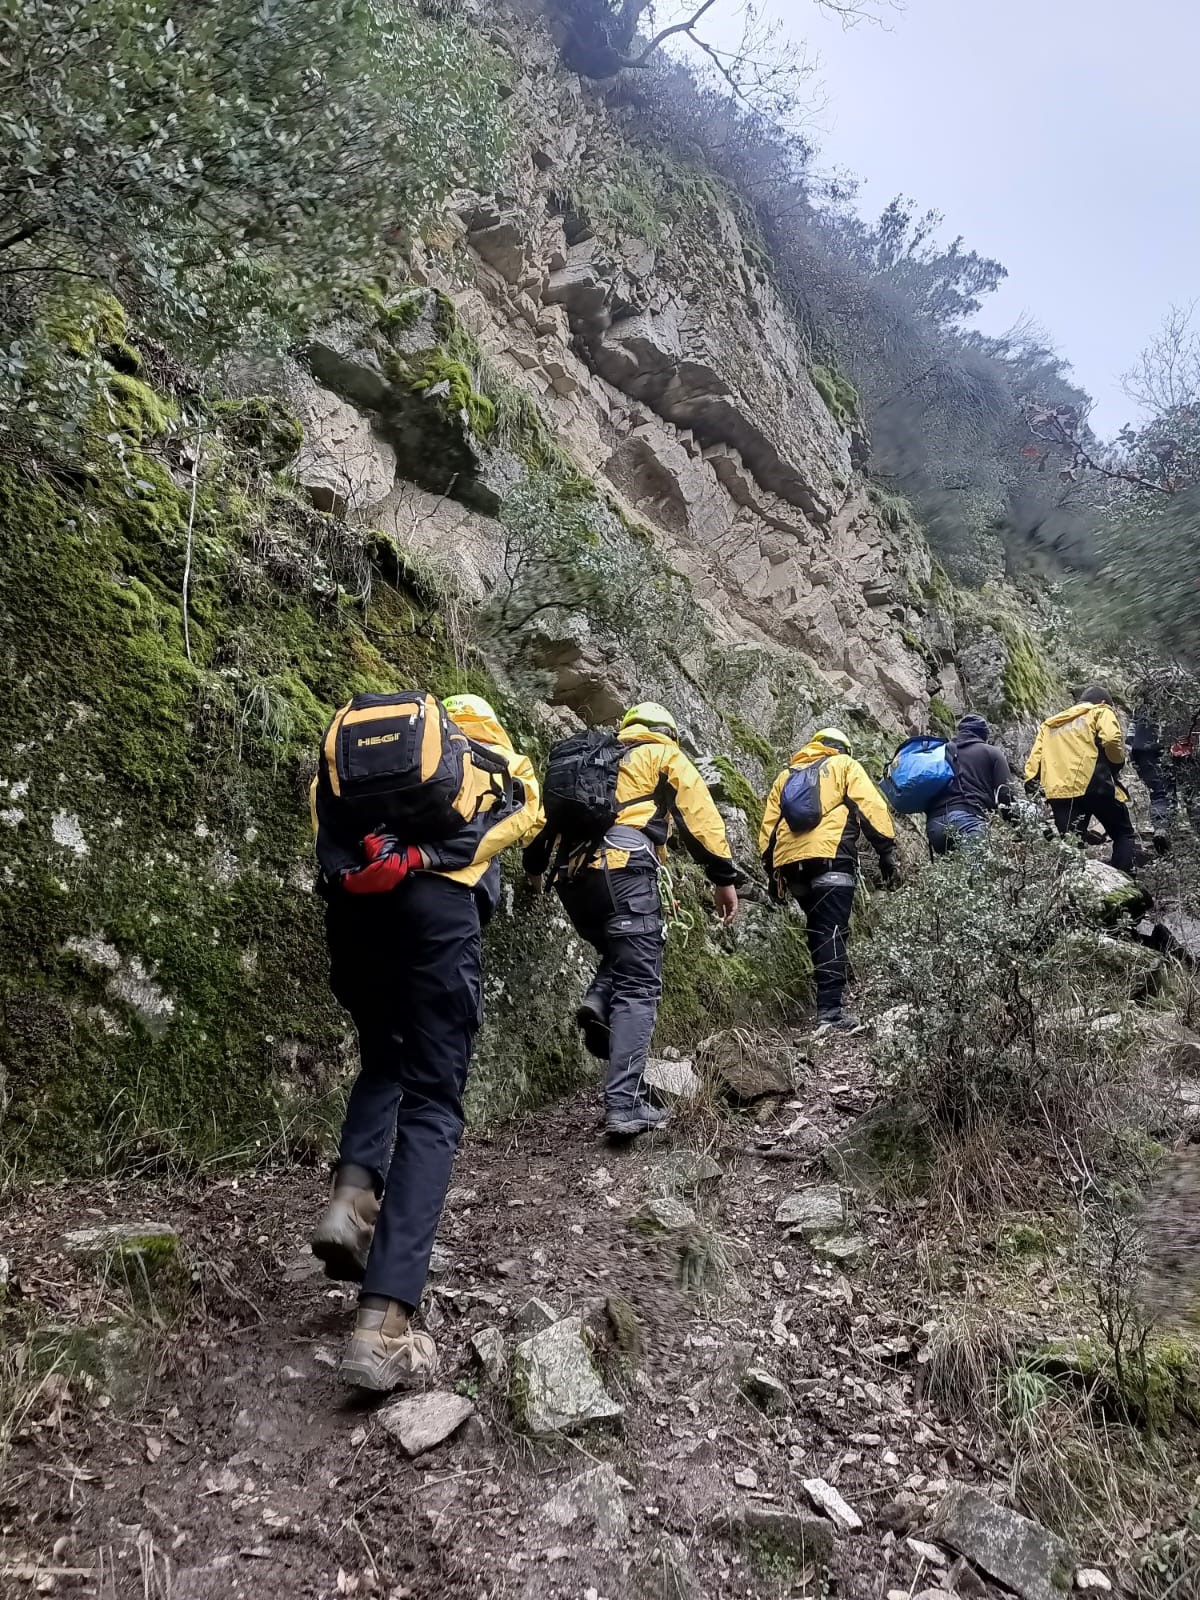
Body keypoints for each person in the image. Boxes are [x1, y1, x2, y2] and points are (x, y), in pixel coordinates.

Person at [309, 692, 542, 1391]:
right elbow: (532, 816)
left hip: (356, 915)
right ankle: (381, 1329)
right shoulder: (493, 758)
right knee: (435, 1104)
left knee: (384, 1057)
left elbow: (325, 830)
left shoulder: (358, 754)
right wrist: (441, 854)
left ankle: (350, 1202)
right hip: (439, 912)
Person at [523, 702, 739, 1138]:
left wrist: (534, 869)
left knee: (619, 955)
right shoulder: (661, 754)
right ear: (667, 731)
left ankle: (599, 1001)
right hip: (622, 870)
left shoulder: (592, 759)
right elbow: (700, 818)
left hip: (570, 877)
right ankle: (623, 1104)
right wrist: (723, 878)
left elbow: (543, 825)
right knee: (640, 985)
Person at [760, 728, 897, 1031]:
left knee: (818, 930)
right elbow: (870, 807)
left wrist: (771, 872)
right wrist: (886, 850)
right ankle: (830, 1012)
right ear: (843, 749)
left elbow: (769, 828)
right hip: (830, 858)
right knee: (831, 932)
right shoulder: (844, 765)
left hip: (790, 866)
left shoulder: (785, 777)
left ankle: (828, 994)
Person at [1024, 684, 1135, 873]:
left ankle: (1071, 892)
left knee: (1071, 845)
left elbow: (1034, 762)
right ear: (1102, 702)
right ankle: (1123, 881)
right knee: (1123, 833)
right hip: (1095, 784)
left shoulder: (1049, 725)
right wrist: (1116, 763)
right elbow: (1111, 739)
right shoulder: (1100, 711)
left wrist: (1032, 786)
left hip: (1060, 794)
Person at [925, 713, 1017, 854]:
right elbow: (1005, 794)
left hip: (934, 827)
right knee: (978, 874)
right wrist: (1018, 827)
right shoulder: (992, 752)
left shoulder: (942, 752)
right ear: (983, 735)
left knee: (953, 873)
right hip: (968, 820)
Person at [1129, 702, 1174, 847]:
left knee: (1157, 792)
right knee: (1167, 792)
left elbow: (1129, 737)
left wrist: (1134, 760)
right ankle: (1163, 829)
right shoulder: (1174, 699)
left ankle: (1160, 827)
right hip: (1163, 749)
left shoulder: (1141, 703)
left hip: (1140, 751)